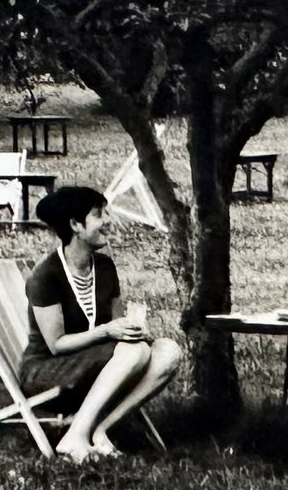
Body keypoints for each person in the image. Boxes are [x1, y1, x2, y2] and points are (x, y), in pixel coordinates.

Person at [21, 185, 185, 462]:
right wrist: (109, 331)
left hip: (96, 365)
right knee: (135, 351)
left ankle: (98, 430)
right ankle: (74, 438)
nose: (107, 220)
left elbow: (116, 324)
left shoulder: (105, 267)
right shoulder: (46, 276)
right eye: (98, 214)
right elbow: (57, 344)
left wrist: (131, 329)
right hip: (47, 371)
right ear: (75, 225)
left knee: (168, 350)